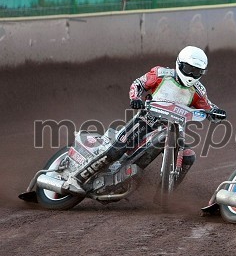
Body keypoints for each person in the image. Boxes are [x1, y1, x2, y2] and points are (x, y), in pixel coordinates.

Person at [74, 46, 227, 186]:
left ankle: (166, 193)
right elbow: (138, 84)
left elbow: (208, 107)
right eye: (189, 69)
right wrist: (135, 98)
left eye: (197, 71)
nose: (192, 75)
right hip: (147, 119)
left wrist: (217, 113)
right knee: (116, 150)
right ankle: (77, 178)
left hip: (174, 128)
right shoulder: (161, 74)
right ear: (179, 64)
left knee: (188, 157)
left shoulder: (198, 90)